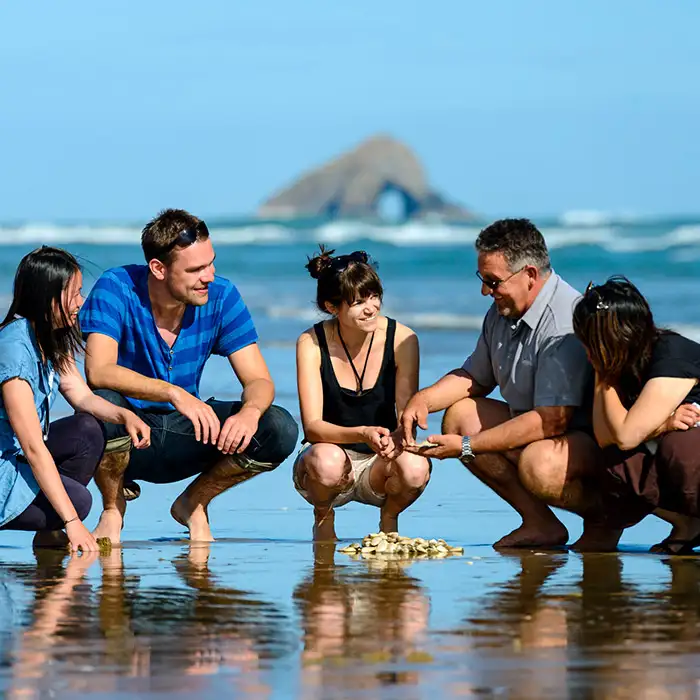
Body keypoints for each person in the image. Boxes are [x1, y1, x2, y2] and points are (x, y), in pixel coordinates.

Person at [79, 209, 298, 544]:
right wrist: (174, 393)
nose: (208, 276)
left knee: (279, 427)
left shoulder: (222, 296)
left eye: (210, 263)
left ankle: (194, 501)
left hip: (189, 434)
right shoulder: (116, 287)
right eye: (196, 269)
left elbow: (259, 381)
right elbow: (98, 370)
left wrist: (249, 413)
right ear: (159, 269)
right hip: (130, 434)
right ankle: (112, 508)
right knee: (100, 406)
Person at [400, 218, 604, 549]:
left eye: (493, 282)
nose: (485, 291)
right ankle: (541, 523)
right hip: (544, 431)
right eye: (482, 280)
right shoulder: (504, 308)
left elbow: (553, 419)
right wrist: (421, 401)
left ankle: (607, 518)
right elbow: (474, 378)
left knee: (539, 465)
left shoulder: (564, 322)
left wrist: (466, 447)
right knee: (459, 416)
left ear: (530, 276)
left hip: (593, 444)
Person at [0, 247, 150, 552]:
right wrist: (72, 521)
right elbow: (32, 446)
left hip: (17, 456)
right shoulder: (14, 350)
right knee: (79, 502)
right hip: (5, 464)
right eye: (74, 294)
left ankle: (49, 526)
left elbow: (81, 395)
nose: (80, 303)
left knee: (87, 430)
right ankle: (57, 519)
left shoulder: (49, 335)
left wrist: (125, 416)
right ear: (47, 296)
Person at [294, 248, 430, 540]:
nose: (371, 308)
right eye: (358, 302)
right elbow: (313, 427)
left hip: (379, 465)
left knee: (416, 467)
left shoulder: (403, 339)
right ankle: (323, 518)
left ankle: (389, 521)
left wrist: (398, 438)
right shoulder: (311, 342)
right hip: (327, 461)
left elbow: (406, 414)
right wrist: (363, 433)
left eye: (374, 296)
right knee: (327, 461)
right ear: (332, 307)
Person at [572, 276, 700, 554]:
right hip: (661, 443)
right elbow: (607, 438)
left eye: (590, 340)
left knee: (679, 447)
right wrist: (662, 423)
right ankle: (689, 524)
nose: (584, 348)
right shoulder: (620, 364)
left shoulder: (670, 356)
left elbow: (627, 435)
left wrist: (604, 371)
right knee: (613, 462)